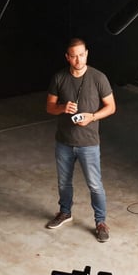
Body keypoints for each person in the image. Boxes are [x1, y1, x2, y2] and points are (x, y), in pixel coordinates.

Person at [45, 38, 116, 242]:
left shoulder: (98, 77)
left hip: (89, 142)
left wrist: (92, 117)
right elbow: (49, 107)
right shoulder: (59, 77)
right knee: (63, 183)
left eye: (81, 54)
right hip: (64, 141)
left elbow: (111, 107)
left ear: (87, 54)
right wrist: (62, 108)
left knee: (95, 185)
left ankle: (101, 222)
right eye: (74, 56)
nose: (78, 59)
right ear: (68, 57)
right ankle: (65, 212)